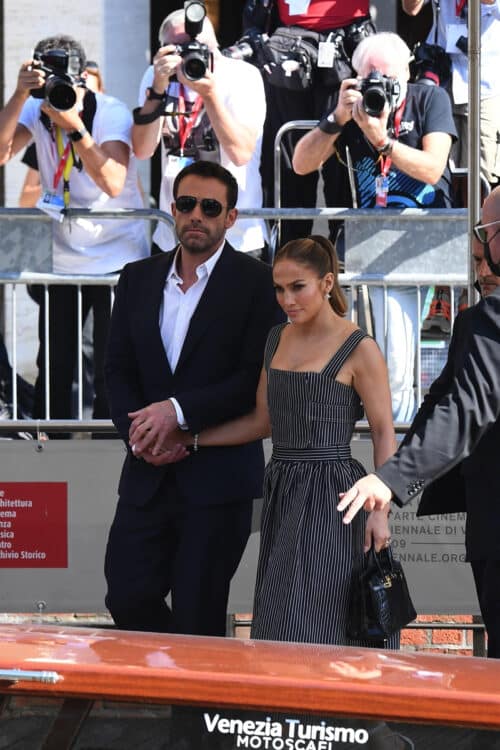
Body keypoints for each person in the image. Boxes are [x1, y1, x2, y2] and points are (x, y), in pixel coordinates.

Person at [158, 234, 398, 648]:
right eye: (279, 288)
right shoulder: (276, 338)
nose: (287, 299)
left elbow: (383, 431)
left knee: (327, 616)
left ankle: (339, 710)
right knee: (280, 614)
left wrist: (381, 511)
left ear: (327, 283)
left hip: (336, 495)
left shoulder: (360, 347)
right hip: (283, 486)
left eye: (297, 287)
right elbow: (261, 421)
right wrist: (192, 439)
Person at [104, 160, 284, 636]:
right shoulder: (137, 278)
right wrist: (140, 437)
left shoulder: (257, 283)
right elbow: (117, 372)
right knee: (127, 595)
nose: (196, 216)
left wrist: (178, 414)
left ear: (231, 217)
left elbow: (251, 379)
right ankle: (177, 684)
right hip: (147, 475)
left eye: (210, 207)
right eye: (187, 205)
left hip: (218, 484)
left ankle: (195, 710)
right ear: (173, 211)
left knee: (198, 617)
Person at [337, 185, 500, 657]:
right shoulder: (477, 321)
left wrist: (389, 482)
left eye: (484, 237)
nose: (480, 267)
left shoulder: (490, 320)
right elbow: (441, 401)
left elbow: (465, 409)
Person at [293, 31, 457, 423]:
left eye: (388, 80)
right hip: (369, 247)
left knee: (400, 362)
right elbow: (300, 163)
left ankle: (397, 440)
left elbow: (434, 168)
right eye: (371, 80)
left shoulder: (429, 99)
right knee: (371, 355)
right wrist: (335, 119)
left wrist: (382, 141)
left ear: (407, 74)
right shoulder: (351, 113)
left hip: (424, 245)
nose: (379, 89)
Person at [0, 35, 148, 429]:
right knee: (55, 364)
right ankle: (51, 444)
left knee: (108, 365)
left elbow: (114, 182)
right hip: (65, 259)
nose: (59, 94)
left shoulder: (111, 112)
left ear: (84, 79)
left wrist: (76, 129)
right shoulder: (35, 109)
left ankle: (105, 449)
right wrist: (18, 95)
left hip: (117, 259)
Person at [132, 8, 267, 258]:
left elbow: (240, 153)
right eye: (179, 49)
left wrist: (210, 96)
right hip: (174, 237)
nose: (191, 57)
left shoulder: (243, 76)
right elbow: (142, 150)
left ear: (216, 47)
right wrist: (158, 91)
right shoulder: (156, 77)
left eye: (201, 48)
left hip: (237, 239)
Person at [245, 0, 376, 248]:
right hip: (288, 48)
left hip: (347, 45)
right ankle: (290, 257)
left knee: (345, 166)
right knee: (290, 166)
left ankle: (346, 256)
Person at [402, 0, 500, 191]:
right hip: (442, 78)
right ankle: (447, 220)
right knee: (441, 170)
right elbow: (410, 9)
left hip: (486, 83)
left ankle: (478, 221)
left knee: (481, 176)